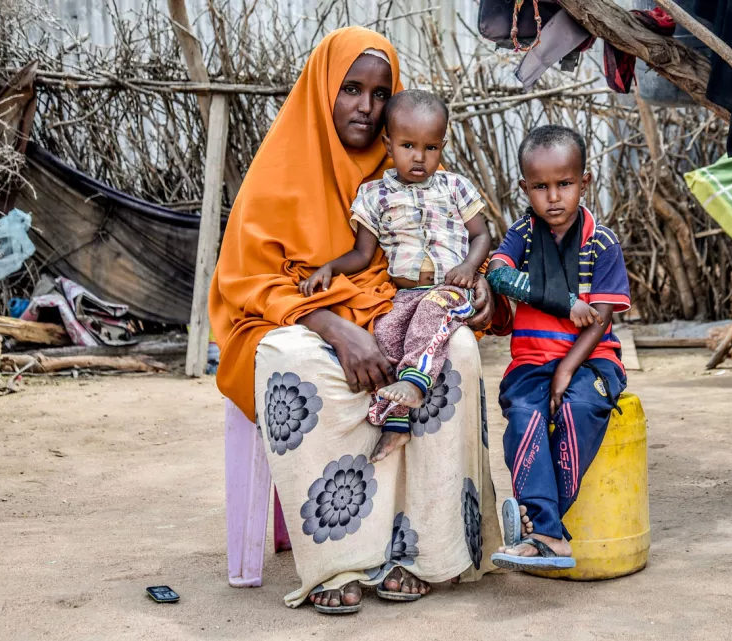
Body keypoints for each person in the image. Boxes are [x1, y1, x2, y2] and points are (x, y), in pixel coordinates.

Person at [209, 27, 501, 614]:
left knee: (459, 350)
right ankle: (337, 563)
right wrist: (335, 328)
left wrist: (481, 280)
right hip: (298, 319)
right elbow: (247, 280)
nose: (365, 108)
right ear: (323, 90)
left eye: (378, 92)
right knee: (292, 362)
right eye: (350, 89)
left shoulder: (405, 169)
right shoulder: (279, 170)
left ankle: (427, 552)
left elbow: (447, 248)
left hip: (389, 310)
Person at [299, 89, 491, 455]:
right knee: (386, 335)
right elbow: (361, 253)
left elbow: (481, 234)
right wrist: (328, 268)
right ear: (388, 144)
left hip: (450, 290)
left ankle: (416, 386)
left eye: (430, 148)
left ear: (442, 146)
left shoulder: (455, 187)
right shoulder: (373, 196)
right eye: (407, 146)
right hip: (404, 295)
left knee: (430, 316)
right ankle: (397, 422)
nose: (419, 157)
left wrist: (469, 267)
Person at [485, 125, 630, 571]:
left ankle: (541, 530)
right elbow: (497, 274)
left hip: (592, 360)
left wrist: (567, 369)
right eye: (540, 187)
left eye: (564, 184)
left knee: (576, 409)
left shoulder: (601, 242)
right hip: (530, 362)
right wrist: (565, 303)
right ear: (524, 188)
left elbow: (601, 317)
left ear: (583, 183)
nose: (553, 197)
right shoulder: (524, 235)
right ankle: (548, 535)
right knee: (526, 417)